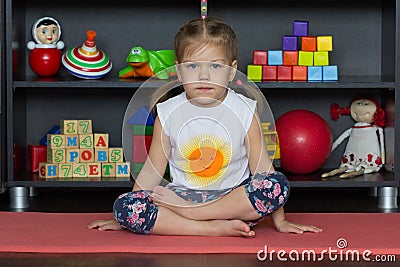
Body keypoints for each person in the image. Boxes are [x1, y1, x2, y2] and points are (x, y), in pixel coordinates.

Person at [88, 17, 322, 237]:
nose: (204, 76)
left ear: (232, 71)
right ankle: (212, 229)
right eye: (192, 66)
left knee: (276, 184)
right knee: (125, 206)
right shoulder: (167, 112)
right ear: (178, 71)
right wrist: (124, 218)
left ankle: (198, 216)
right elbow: (152, 171)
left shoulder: (244, 110)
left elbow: (263, 168)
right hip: (181, 199)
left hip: (231, 202)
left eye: (215, 67)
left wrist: (280, 221)